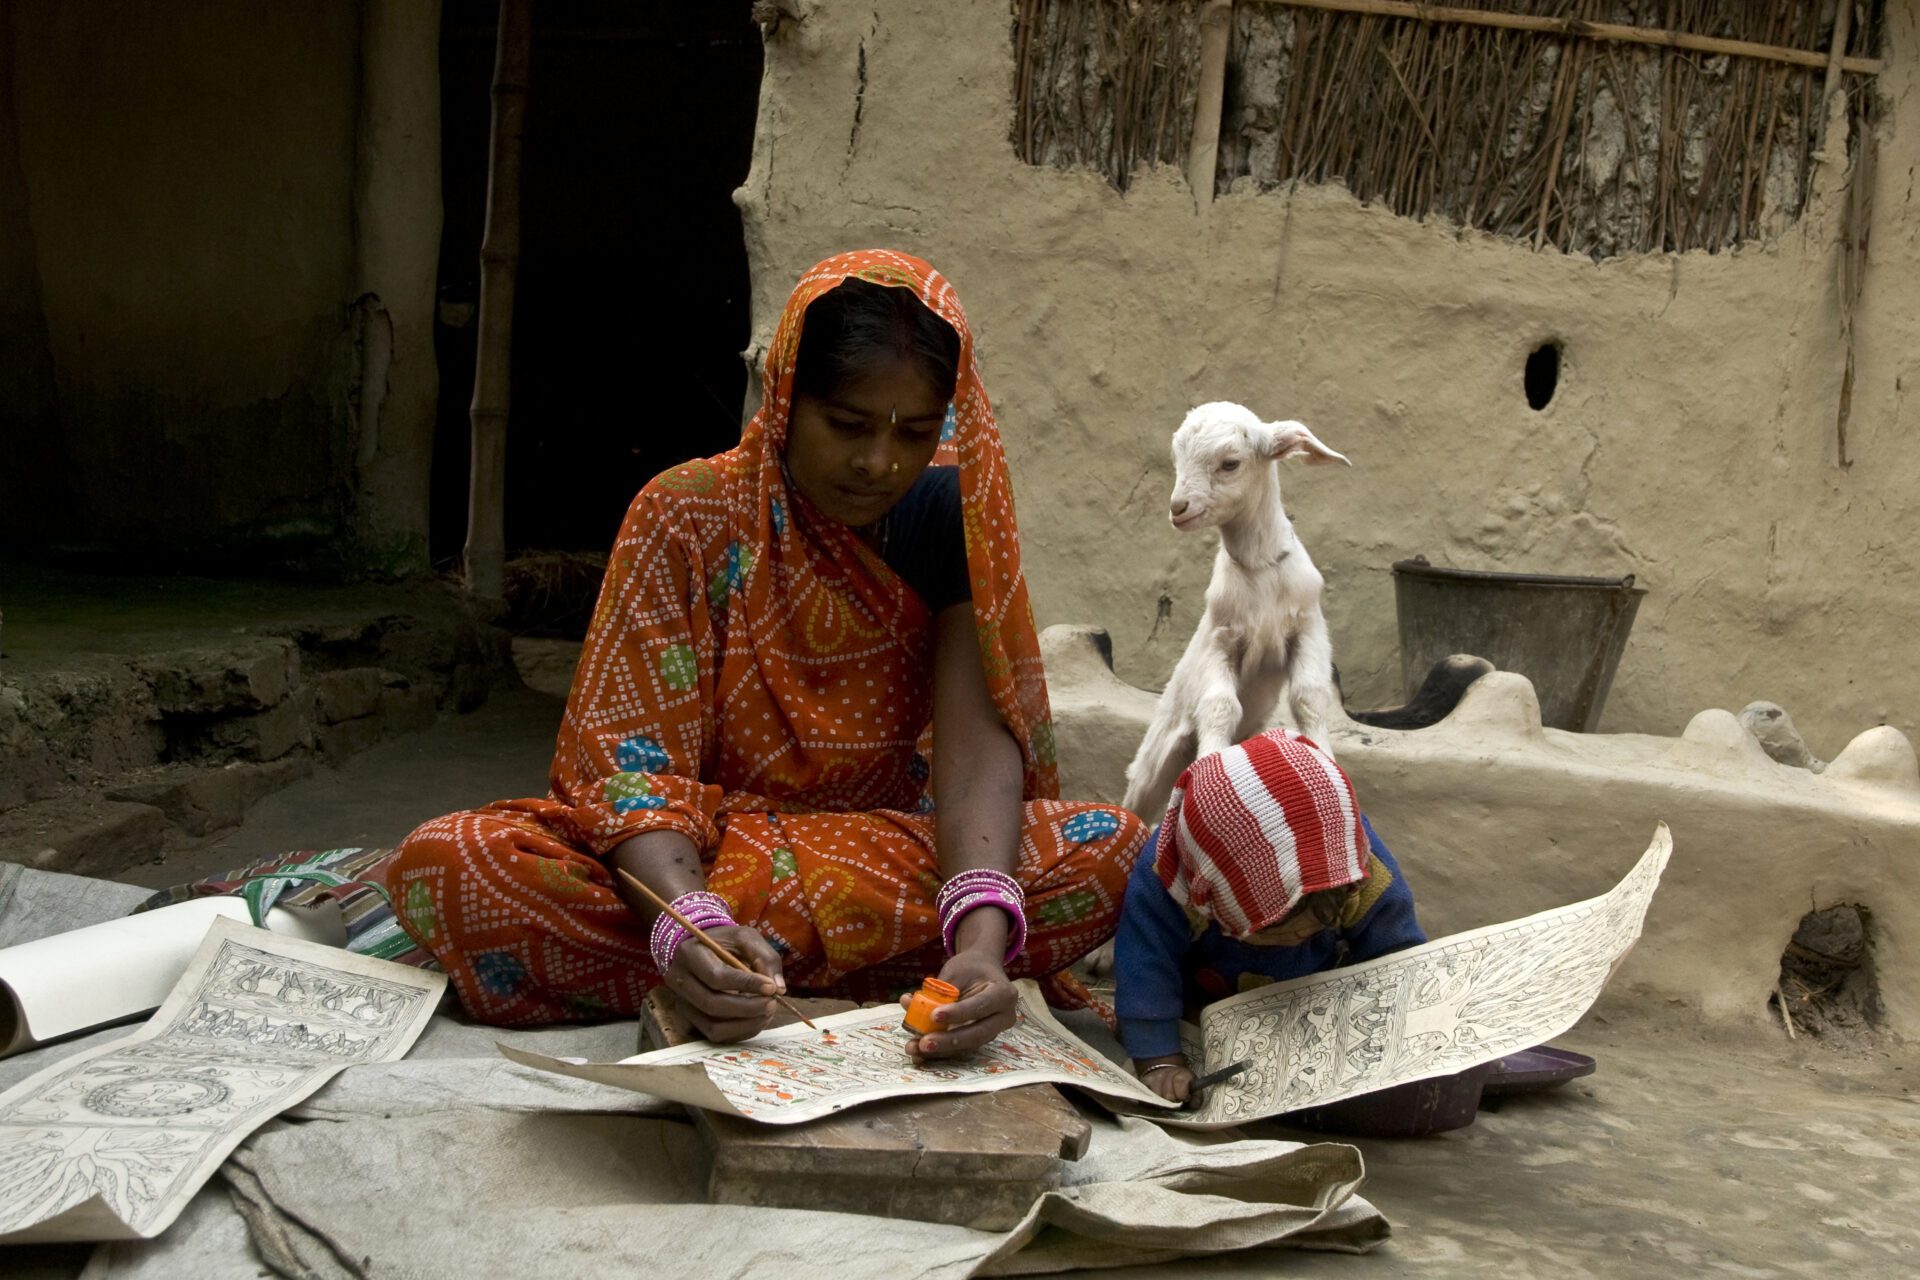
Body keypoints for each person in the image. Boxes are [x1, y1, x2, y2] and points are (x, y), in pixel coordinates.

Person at [386, 250, 1148, 1058]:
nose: (879, 463)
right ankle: (759, 965)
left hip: (880, 850)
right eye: (848, 425)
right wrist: (691, 922)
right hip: (695, 860)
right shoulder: (687, 514)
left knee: (1117, 851)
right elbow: (631, 769)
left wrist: (981, 941)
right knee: (456, 861)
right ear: (787, 398)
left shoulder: (944, 518)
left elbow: (975, 757)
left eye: (917, 433)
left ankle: (775, 968)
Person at [1114, 728, 1425, 1103]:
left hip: (1321, 1002)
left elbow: (1398, 957)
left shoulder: (1356, 861)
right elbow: (1146, 969)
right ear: (1215, 899)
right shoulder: (1169, 878)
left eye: (1314, 928)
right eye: (1275, 930)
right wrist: (1159, 1061)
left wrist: (1408, 1018)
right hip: (1209, 1006)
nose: (1296, 938)